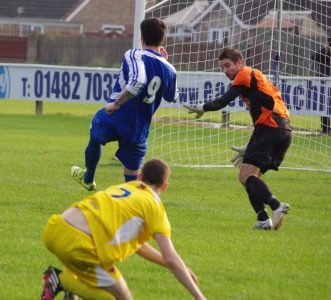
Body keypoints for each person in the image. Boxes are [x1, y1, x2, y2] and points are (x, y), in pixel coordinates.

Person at [41, 158, 206, 300]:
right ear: (164, 186)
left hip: (55, 228)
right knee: (121, 297)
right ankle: (61, 281)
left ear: (140, 176)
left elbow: (138, 245)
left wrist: (176, 267)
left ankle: (70, 289)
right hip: (79, 244)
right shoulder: (153, 205)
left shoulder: (124, 188)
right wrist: (199, 296)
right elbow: (171, 257)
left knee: (88, 278)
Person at [184, 47, 292, 230]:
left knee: (245, 176)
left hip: (270, 129)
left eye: (228, 65)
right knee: (251, 177)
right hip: (283, 130)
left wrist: (203, 107)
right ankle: (263, 219)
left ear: (240, 63)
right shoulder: (255, 78)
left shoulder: (244, 75)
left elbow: (222, 101)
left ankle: (276, 206)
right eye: (222, 68)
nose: (225, 71)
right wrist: (250, 145)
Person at [71, 17, 177, 191]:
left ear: (142, 38)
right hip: (139, 127)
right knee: (131, 179)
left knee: (95, 131)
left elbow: (138, 81)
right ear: (162, 40)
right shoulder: (169, 69)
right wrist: (166, 62)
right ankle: (134, 204)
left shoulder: (134, 54)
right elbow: (172, 97)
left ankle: (88, 178)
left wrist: (116, 104)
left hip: (117, 116)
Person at [311, 36, 331, 135]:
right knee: (324, 106)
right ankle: (325, 129)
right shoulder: (323, 54)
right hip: (324, 84)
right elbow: (313, 57)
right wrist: (325, 49)